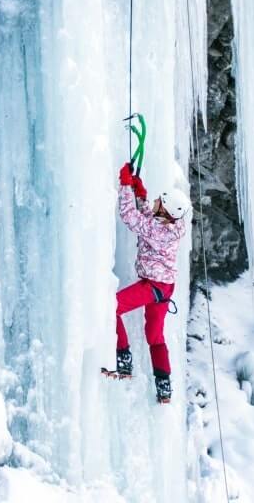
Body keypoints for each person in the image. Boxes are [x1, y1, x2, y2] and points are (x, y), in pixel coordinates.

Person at [111, 162, 191, 404]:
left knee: (111, 307)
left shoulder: (160, 231)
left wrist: (125, 185)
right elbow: (148, 217)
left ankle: (123, 359)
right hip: (163, 288)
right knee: (154, 336)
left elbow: (131, 218)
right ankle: (164, 386)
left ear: (165, 210)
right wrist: (140, 193)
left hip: (153, 287)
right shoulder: (169, 225)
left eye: (159, 200)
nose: (155, 201)